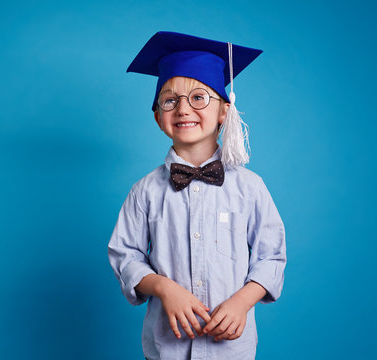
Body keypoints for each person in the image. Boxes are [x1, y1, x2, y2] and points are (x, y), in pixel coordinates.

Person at [107, 31, 287, 360]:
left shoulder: (250, 187)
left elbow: (271, 257)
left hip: (231, 350)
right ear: (158, 116)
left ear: (224, 111)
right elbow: (125, 254)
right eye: (170, 100)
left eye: (199, 97)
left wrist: (242, 302)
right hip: (166, 349)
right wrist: (163, 287)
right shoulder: (145, 191)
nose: (183, 108)